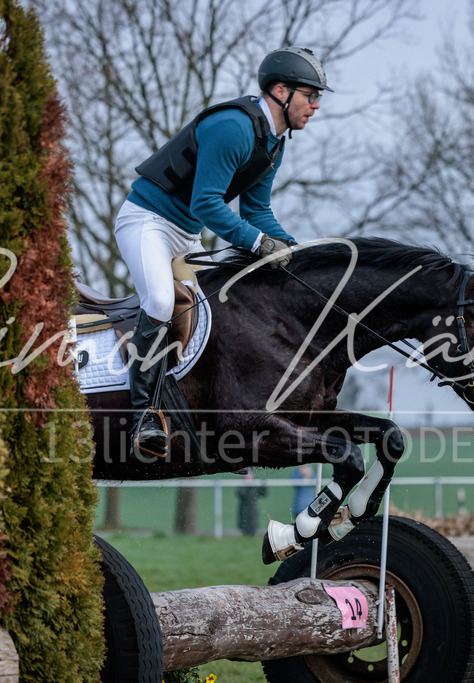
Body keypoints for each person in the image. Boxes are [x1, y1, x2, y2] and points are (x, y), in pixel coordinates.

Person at [116, 46, 332, 457]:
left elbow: (257, 210)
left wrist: (292, 250)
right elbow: (206, 203)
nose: (316, 105)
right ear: (281, 91)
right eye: (311, 95)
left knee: (216, 314)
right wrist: (256, 243)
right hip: (147, 221)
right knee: (162, 301)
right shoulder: (234, 127)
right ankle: (144, 415)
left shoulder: (275, 142)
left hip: (184, 233)